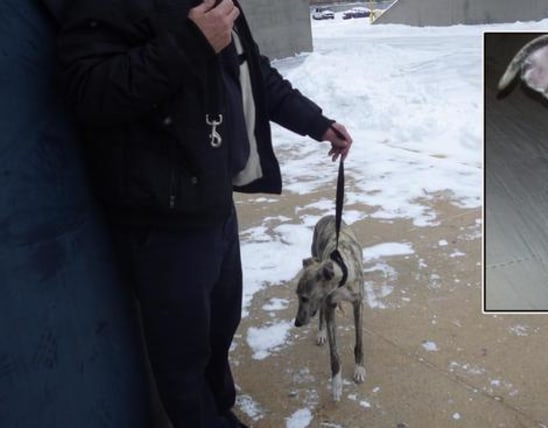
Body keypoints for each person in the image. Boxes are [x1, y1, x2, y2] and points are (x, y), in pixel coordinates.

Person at [55, 0, 353, 426]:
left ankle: (219, 412)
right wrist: (190, 43)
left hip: (214, 207)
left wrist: (316, 123)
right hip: (161, 220)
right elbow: (88, 90)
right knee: (182, 357)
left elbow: (253, 73)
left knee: (218, 332)